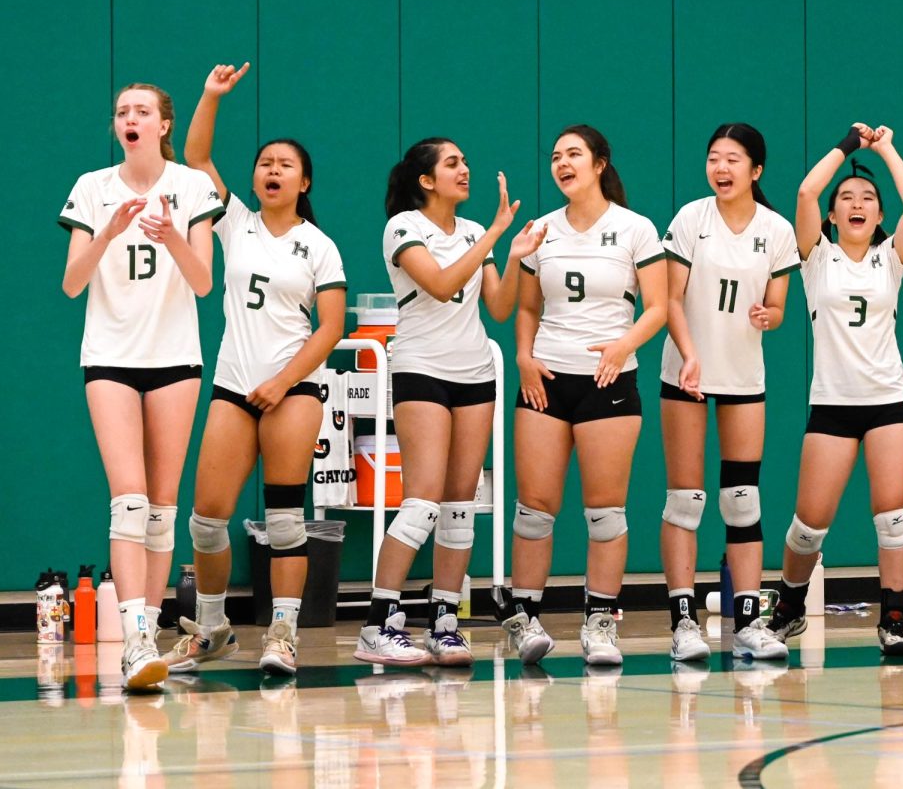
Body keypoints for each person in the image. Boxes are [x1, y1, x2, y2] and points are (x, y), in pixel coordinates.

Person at [163, 62, 347, 677]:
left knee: (285, 520)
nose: (272, 170)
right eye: (265, 162)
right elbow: (193, 155)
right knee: (206, 521)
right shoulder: (235, 221)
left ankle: (284, 633)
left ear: (305, 181)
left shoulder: (319, 246)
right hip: (233, 385)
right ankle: (212, 628)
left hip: (294, 390)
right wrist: (211, 95)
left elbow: (330, 328)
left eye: (284, 164)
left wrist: (283, 381)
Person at [353, 137, 545, 667]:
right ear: (426, 179)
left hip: (475, 373)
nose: (466, 170)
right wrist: (496, 236)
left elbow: (500, 307)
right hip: (421, 370)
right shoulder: (403, 228)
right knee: (422, 501)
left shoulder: (474, 233)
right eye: (453, 163)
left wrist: (514, 257)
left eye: (466, 161)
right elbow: (439, 285)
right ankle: (379, 622)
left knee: (462, 503)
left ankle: (444, 621)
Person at [59, 81, 222, 690]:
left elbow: (204, 282)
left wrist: (170, 233)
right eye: (122, 112)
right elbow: (73, 284)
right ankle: (131, 641)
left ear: (163, 125)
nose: (130, 119)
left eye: (142, 112)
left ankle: (150, 635)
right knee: (126, 500)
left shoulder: (192, 187)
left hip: (175, 357)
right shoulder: (91, 188)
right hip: (109, 356)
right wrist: (108, 231)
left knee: (161, 506)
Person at [502, 124, 667, 666]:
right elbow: (524, 309)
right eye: (555, 156)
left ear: (600, 163)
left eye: (574, 154)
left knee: (605, 514)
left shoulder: (636, 229)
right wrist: (524, 355)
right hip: (546, 379)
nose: (562, 163)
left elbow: (659, 308)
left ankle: (600, 622)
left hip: (608, 380)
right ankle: (524, 619)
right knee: (534, 511)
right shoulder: (540, 231)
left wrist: (623, 346)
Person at [765, 123, 903, 657]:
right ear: (833, 217)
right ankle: (788, 607)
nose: (858, 204)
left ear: (879, 217)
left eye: (868, 199)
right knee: (808, 527)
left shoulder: (891, 261)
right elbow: (807, 192)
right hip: (832, 404)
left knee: (893, 516)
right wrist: (847, 146)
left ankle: (895, 620)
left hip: (889, 402)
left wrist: (887, 150)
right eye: (848, 199)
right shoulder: (816, 259)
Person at [658, 123, 798, 662]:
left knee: (743, 501)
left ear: (755, 170)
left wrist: (771, 315)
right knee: (686, 501)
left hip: (744, 377)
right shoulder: (692, 219)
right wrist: (690, 353)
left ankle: (747, 622)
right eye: (714, 157)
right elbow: (671, 299)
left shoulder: (777, 230)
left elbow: (779, 306)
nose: (721, 168)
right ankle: (684, 622)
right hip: (687, 373)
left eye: (733, 159)